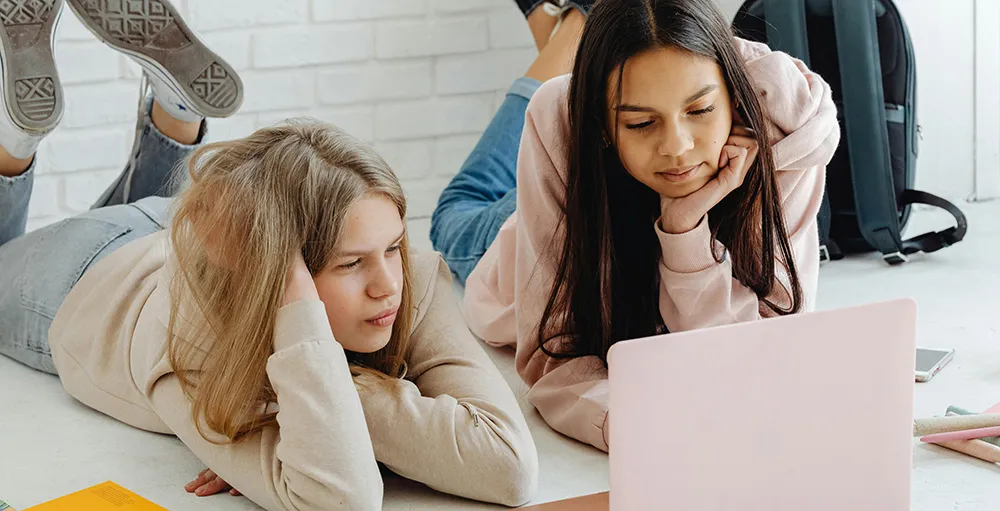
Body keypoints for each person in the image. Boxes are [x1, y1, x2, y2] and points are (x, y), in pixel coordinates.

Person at [0, 1, 537, 509]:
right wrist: (317, 410)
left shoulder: (405, 278)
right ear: (281, 271)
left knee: (158, 204)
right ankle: (14, 141)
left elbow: (509, 469)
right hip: (84, 275)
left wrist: (319, 404)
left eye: (394, 246)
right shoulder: (196, 337)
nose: (387, 285)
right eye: (350, 264)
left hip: (188, 223)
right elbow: (342, 499)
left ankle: (174, 112)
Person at [431, 0, 839, 452]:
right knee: (454, 214)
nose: (679, 149)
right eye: (642, 122)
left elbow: (760, 353)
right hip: (536, 220)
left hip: (616, 173)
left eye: (701, 111)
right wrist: (639, 428)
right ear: (604, 126)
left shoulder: (785, 133)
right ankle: (566, 29)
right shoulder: (560, 120)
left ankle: (569, 28)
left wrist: (684, 230)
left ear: (732, 97)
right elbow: (554, 359)